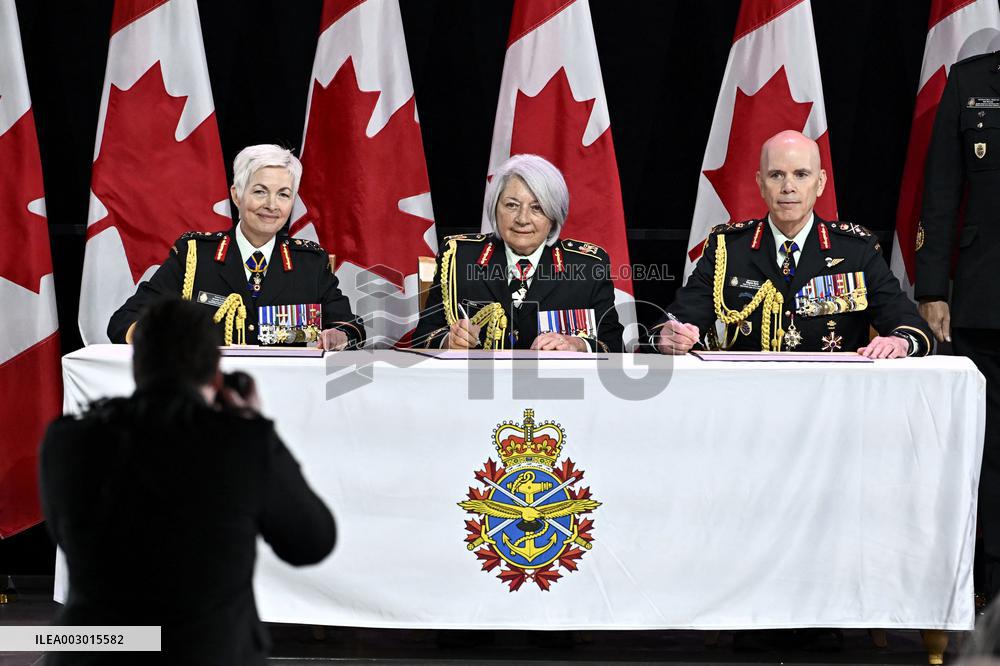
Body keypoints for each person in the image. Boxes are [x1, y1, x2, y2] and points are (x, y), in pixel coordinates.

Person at [40, 299, 336, 665]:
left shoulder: (71, 439)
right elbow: (311, 542)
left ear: (137, 364)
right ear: (215, 372)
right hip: (208, 650)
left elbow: (65, 537)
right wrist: (254, 426)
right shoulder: (238, 442)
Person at [655, 130, 931, 357]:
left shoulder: (855, 251)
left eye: (801, 174)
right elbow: (676, 320)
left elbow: (910, 326)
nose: (788, 187)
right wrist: (668, 336)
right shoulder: (728, 248)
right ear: (760, 183)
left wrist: (900, 342)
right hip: (749, 399)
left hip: (831, 400)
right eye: (776, 175)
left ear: (820, 182)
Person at [107, 144, 364, 350]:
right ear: (236, 194)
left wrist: (338, 336)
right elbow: (124, 321)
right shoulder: (194, 255)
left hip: (287, 396)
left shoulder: (309, 262)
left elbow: (351, 326)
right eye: (260, 192)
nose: (272, 205)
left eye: (283, 194)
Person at [918, 51, 1000, 600]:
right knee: (990, 449)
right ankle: (991, 582)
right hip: (985, 294)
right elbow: (942, 188)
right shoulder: (971, 79)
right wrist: (930, 285)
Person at [412, 153, 624, 352]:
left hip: (554, 388)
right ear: (495, 208)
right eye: (512, 205)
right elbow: (422, 338)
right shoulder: (458, 257)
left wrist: (577, 344)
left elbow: (614, 345)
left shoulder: (587, 265)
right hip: (477, 385)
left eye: (537, 208)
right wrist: (447, 341)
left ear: (554, 215)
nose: (522, 219)